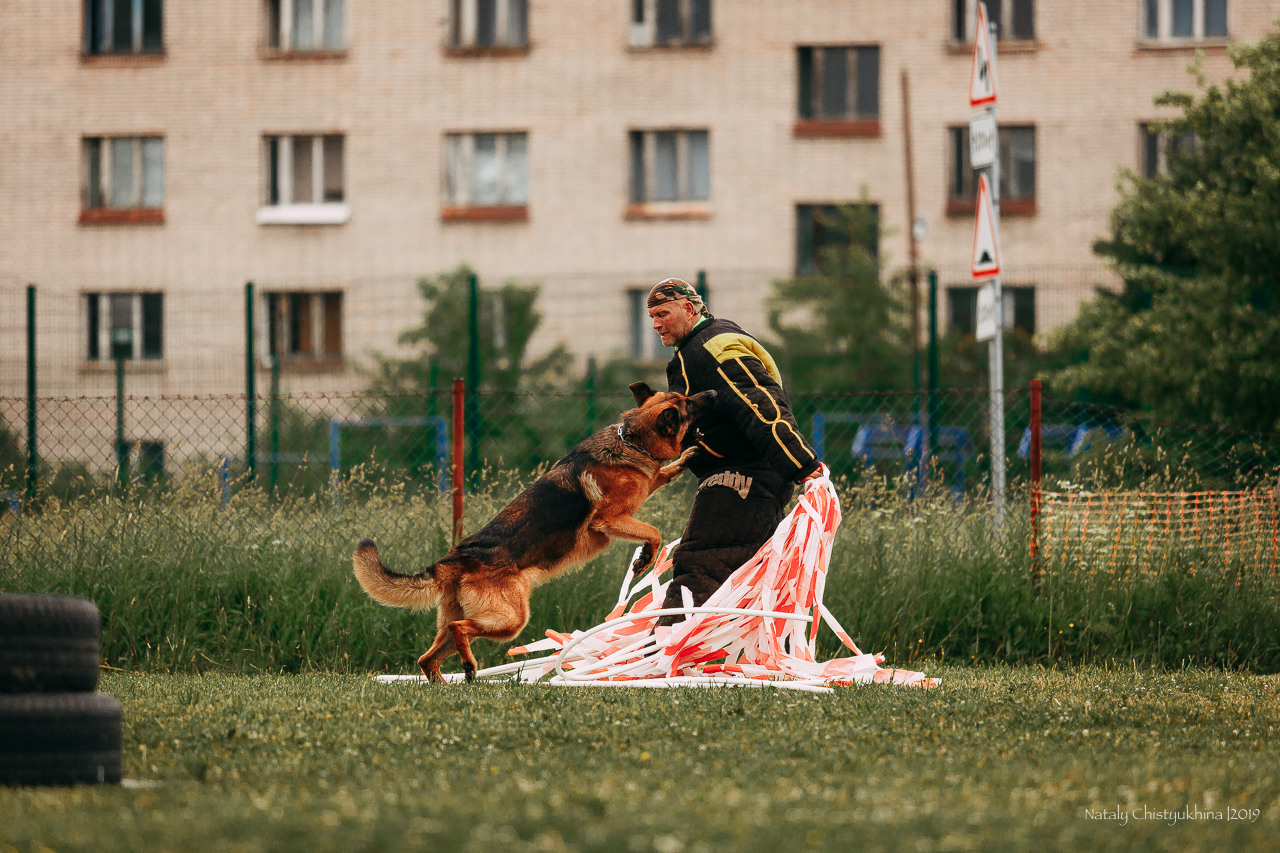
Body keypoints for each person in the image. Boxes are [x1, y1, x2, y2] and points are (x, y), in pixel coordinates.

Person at [645, 277, 823, 626]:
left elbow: (759, 402)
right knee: (748, 570)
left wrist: (799, 461)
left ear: (689, 308)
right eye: (652, 316)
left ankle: (666, 655)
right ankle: (753, 651)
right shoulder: (698, 348)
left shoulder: (711, 347)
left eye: (663, 313)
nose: (655, 324)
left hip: (745, 474)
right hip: (744, 474)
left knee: (703, 560)